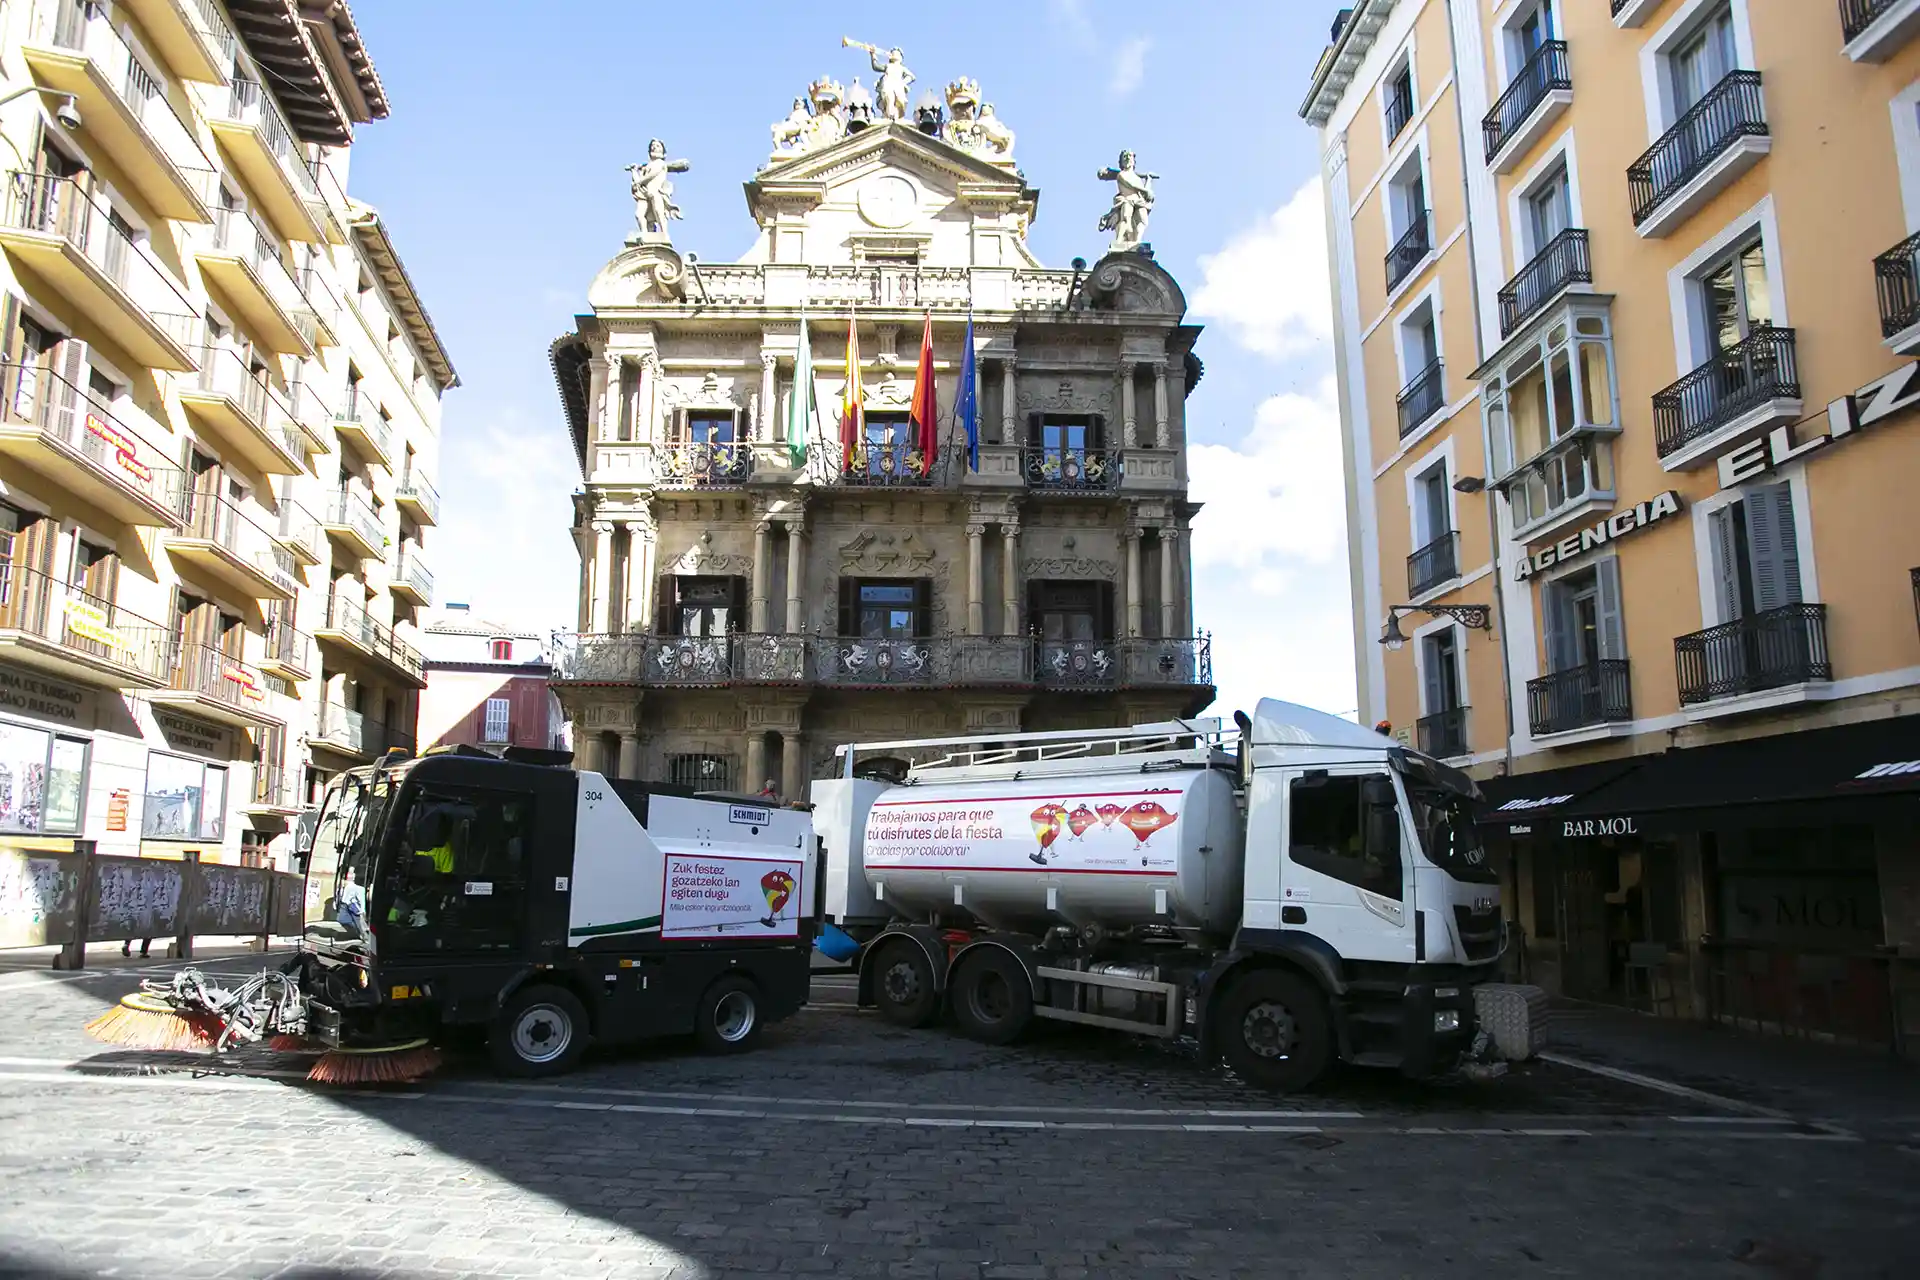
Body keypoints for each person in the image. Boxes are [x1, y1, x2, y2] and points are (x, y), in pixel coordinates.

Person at [334, 866, 366, 933]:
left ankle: (362, 935)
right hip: (344, 906)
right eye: (349, 873)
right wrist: (335, 902)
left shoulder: (358, 888)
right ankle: (357, 933)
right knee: (342, 920)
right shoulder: (342, 885)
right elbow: (338, 895)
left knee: (358, 923)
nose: (350, 875)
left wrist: (362, 909)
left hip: (353, 906)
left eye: (351, 873)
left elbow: (361, 899)